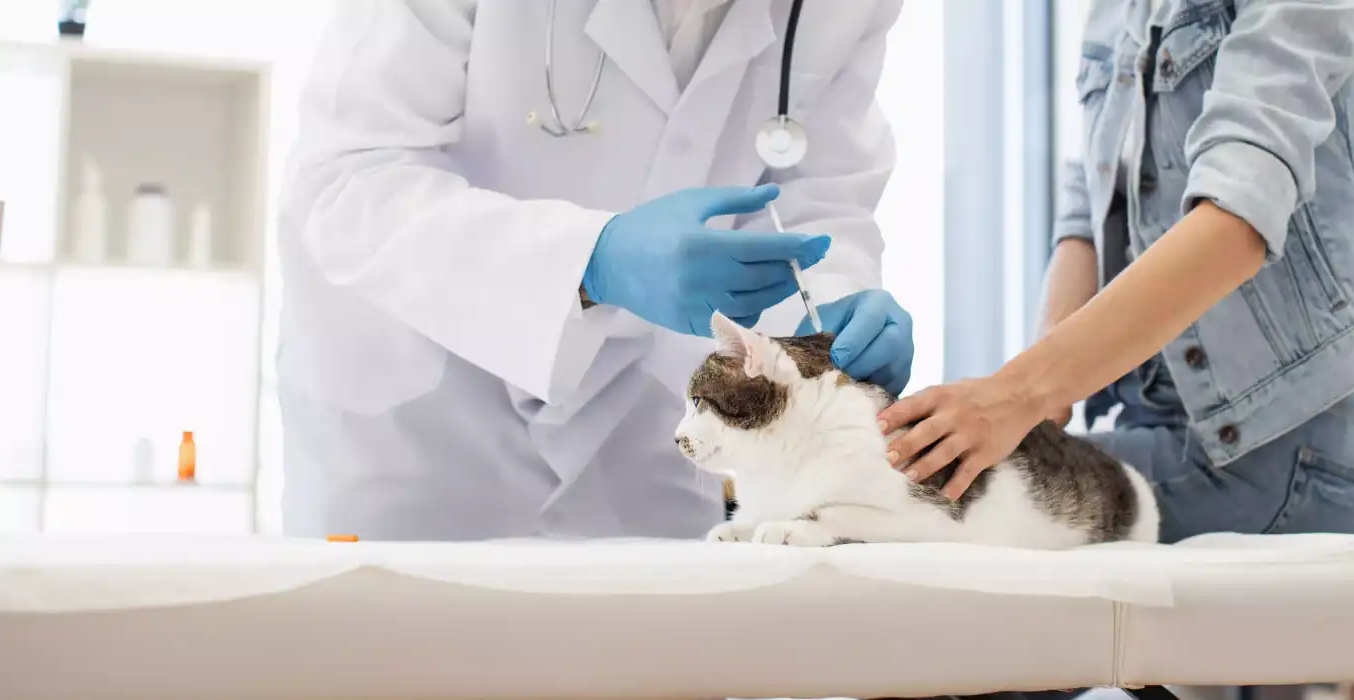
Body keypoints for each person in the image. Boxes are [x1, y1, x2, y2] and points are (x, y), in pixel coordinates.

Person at [276, 0, 912, 542]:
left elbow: (816, 198)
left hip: (643, 435)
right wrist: (588, 261)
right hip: (425, 426)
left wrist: (827, 317)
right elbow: (348, 183)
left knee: (648, 670)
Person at [884, 0, 1354, 545]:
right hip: (1148, 429)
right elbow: (1088, 207)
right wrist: (1037, 411)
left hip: (1272, 461)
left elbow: (1240, 215)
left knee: (919, 515)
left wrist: (1015, 394)